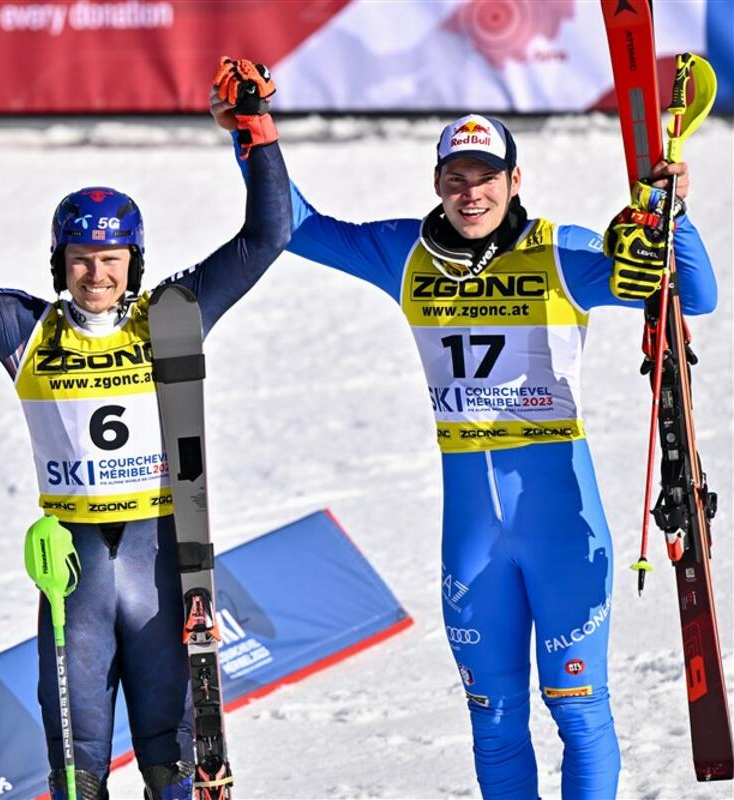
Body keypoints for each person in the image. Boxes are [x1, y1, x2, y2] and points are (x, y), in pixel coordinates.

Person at [212, 85, 717, 798]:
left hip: (559, 520)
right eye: (457, 178)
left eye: (487, 177)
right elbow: (295, 226)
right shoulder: (404, 253)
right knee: (494, 721)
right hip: (474, 537)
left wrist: (675, 217)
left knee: (579, 713)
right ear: (437, 183)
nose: (471, 194)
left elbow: (695, 296)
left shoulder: (562, 251)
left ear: (515, 181)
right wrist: (253, 133)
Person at [0, 62, 289, 800]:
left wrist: (254, 131)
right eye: (80, 260)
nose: (96, 275)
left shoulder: (172, 315)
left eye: (110, 260)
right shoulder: (25, 329)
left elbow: (269, 235)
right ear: (59, 263)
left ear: (134, 262)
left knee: (172, 767)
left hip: (161, 556)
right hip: (75, 573)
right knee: (78, 775)